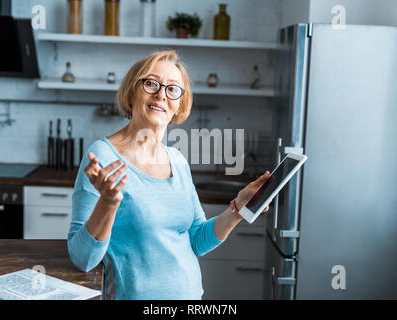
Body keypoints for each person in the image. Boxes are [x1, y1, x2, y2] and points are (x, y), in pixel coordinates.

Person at [67, 50, 270, 300]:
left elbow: (197, 239)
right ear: (132, 91)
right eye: (151, 83)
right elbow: (82, 259)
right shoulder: (103, 156)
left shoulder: (177, 160)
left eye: (173, 89)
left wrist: (238, 209)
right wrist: (108, 203)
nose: (161, 94)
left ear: (178, 106)